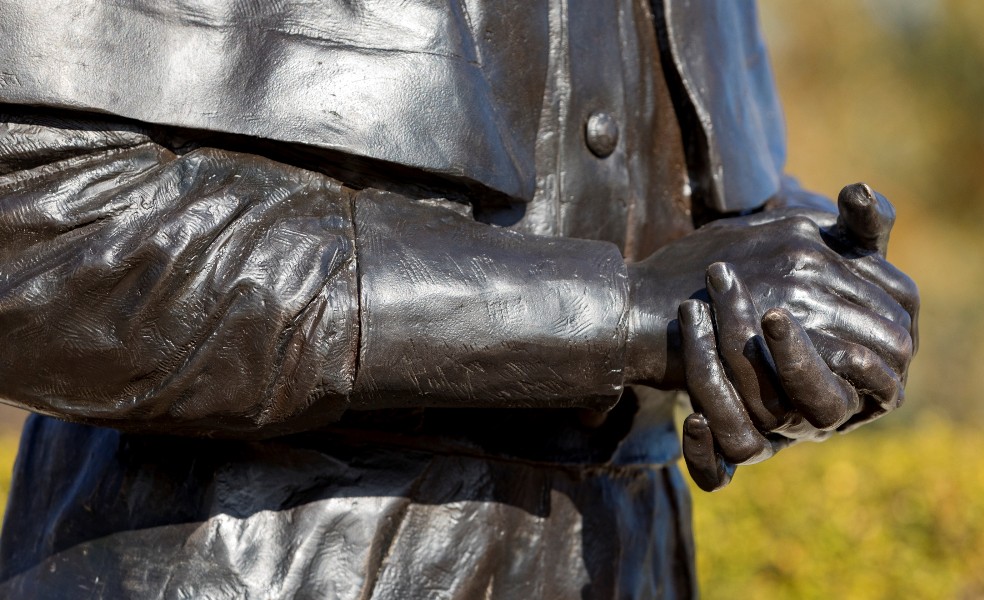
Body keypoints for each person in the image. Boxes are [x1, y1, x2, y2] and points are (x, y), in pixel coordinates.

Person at [0, 0, 918, 597]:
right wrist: (623, 314)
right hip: (241, 560)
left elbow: (667, 195)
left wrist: (801, 296)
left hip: (624, 562)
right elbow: (41, 226)